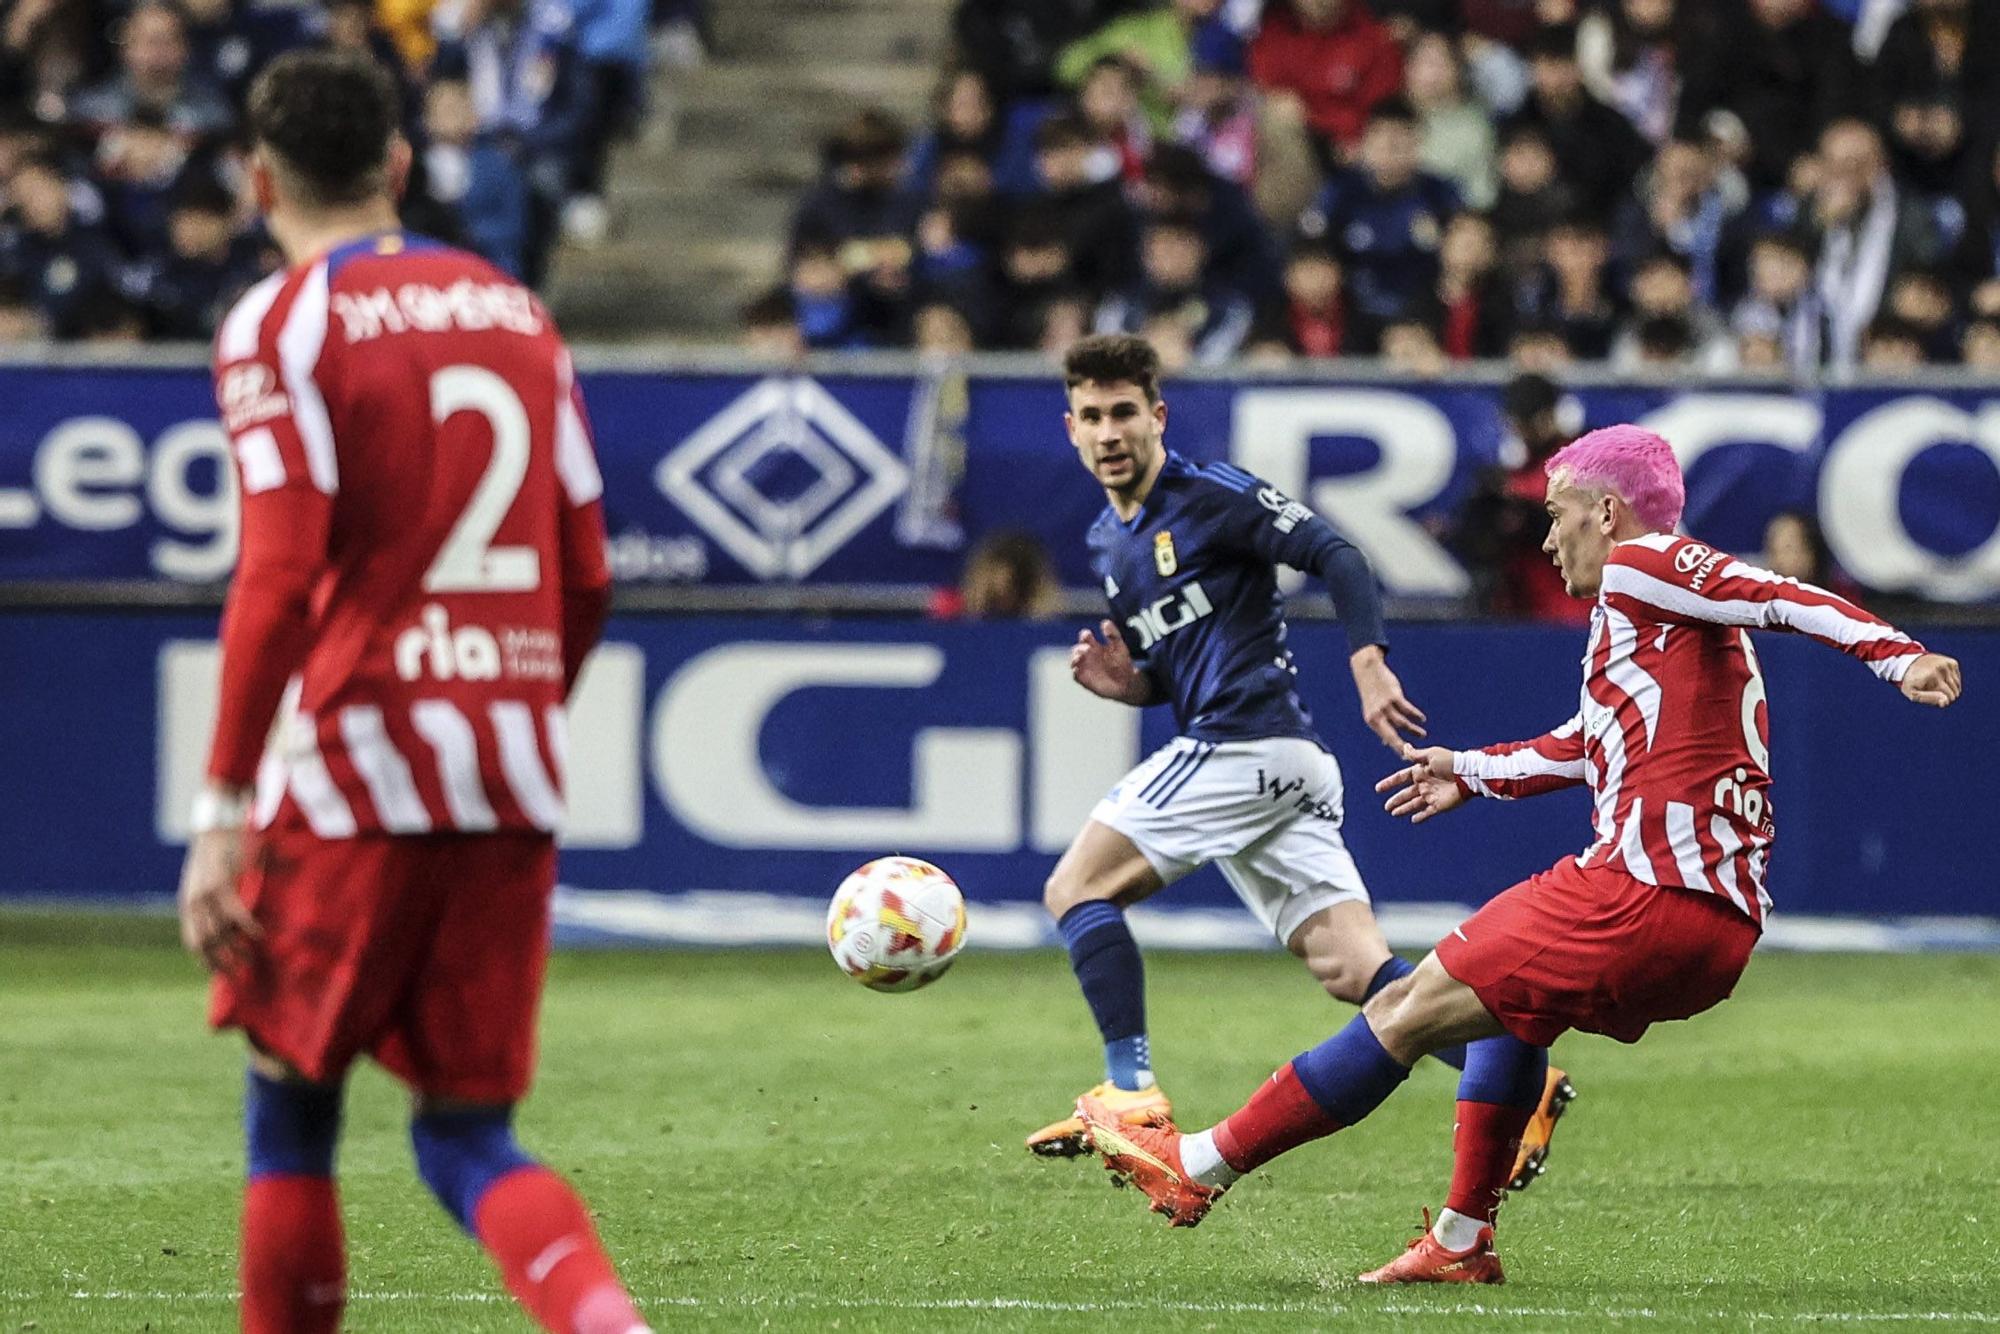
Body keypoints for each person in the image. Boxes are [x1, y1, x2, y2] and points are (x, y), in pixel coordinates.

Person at [1076, 423, 1962, 1284]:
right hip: (1714, 928)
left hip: (1643, 891)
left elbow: (1778, 592)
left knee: (1408, 1009)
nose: (1547, 538)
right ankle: (1462, 1236)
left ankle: (1196, 1166)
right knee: (1507, 1014)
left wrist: (1899, 657)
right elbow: (1588, 743)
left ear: (1608, 513)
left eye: (1558, 512)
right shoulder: (1653, 623)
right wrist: (1469, 769)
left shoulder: (1649, 563)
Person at [173, 51, 648, 1334]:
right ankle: (608, 1319)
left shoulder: (280, 320)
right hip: (505, 764)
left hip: (356, 766)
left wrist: (222, 805)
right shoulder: (515, 309)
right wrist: (517, 704)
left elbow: (275, 573)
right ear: (396, 165)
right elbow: (586, 572)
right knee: (464, 1131)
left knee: (290, 1103)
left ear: (258, 178)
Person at [1026, 334, 1575, 1195]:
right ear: (1070, 428)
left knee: (1076, 888)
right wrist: (1130, 686)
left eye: (1124, 412)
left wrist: (1367, 661)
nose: (1109, 432)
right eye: (1091, 417)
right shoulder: (1109, 543)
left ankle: (1130, 1094)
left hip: (1248, 746)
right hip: (1276, 768)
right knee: (1356, 974)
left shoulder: (1209, 494)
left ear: (1157, 415)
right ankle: (1521, 1077)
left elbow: (1337, 553)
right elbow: (1179, 672)